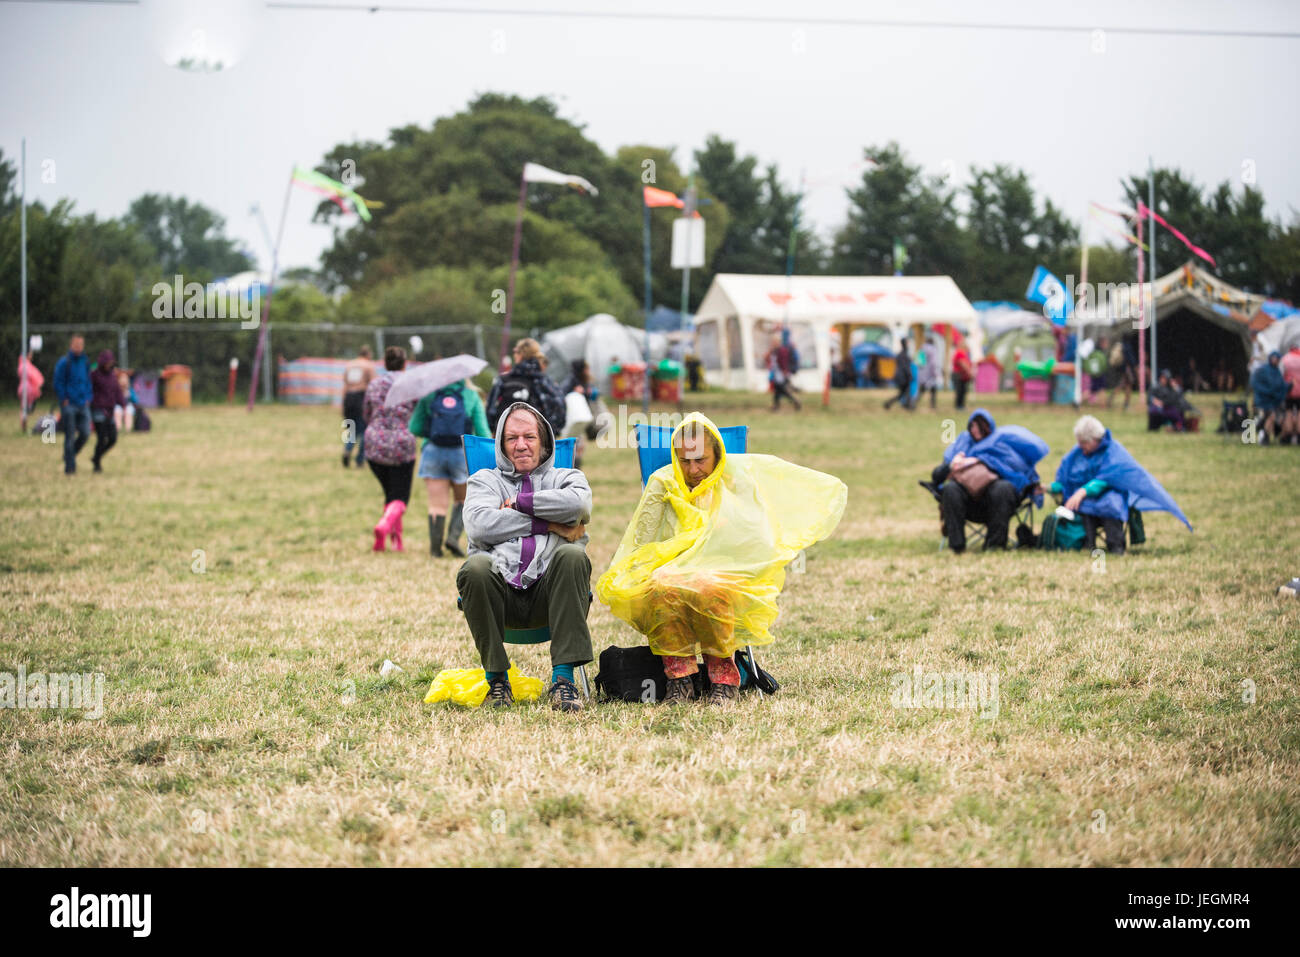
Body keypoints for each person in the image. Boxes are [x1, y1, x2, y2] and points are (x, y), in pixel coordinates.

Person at [598, 413, 845, 705]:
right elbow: (643, 541)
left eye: (700, 460)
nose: (693, 469)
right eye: (684, 460)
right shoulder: (663, 482)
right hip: (669, 572)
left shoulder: (736, 482)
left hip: (728, 570)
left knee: (708, 586)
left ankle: (724, 680)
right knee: (663, 585)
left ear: (718, 454)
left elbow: (757, 538)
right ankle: (680, 680)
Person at [457, 402, 594, 712]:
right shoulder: (484, 481)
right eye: (511, 438)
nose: (521, 445)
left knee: (572, 555)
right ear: (501, 445)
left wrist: (519, 503)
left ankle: (563, 681)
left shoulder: (567, 477)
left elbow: (579, 507)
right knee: (476, 566)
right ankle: (497, 682)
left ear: (544, 441)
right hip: (499, 598)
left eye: (529, 437)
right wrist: (548, 523)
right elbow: (479, 524)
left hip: (554, 598)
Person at [1053, 414, 1193, 554]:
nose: (1080, 446)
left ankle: (1116, 546)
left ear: (1095, 440)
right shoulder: (1077, 453)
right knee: (1081, 503)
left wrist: (1082, 492)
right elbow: (1064, 479)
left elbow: (1109, 477)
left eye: (1083, 442)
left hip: (1111, 496)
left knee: (1110, 503)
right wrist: (1051, 488)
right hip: (1087, 500)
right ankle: (1087, 545)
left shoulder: (1114, 451)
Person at [928, 408, 1048, 553]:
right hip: (968, 503)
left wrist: (985, 462)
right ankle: (957, 546)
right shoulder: (962, 444)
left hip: (997, 503)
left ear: (988, 427)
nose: (975, 430)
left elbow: (1020, 471)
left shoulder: (1001, 444)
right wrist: (954, 465)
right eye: (972, 425)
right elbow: (937, 476)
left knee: (1003, 488)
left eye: (980, 426)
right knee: (951, 489)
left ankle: (995, 545)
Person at [408, 374, 490, 558]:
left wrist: (433, 432)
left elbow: (414, 427)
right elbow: (482, 430)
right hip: (461, 454)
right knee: (462, 501)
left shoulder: (429, 395)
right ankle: (453, 538)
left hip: (433, 453)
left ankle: (435, 549)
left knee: (436, 506)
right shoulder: (471, 395)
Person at [363, 347, 417, 551]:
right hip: (402, 445)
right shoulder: (411, 384)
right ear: (404, 363)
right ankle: (385, 526)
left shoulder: (374, 384)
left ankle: (396, 541)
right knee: (400, 497)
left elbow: (366, 412)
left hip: (374, 443)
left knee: (390, 494)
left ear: (385, 363)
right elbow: (419, 413)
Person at [485, 338, 566, 436]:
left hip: (507, 435)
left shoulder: (504, 379)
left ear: (520, 354)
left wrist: (494, 429)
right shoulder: (544, 380)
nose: (514, 354)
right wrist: (551, 430)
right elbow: (559, 404)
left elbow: (491, 409)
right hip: (537, 436)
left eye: (515, 351)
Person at [53, 335, 92, 476]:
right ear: (71, 345)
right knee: (69, 435)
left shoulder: (85, 361)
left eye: (81, 344)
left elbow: (88, 380)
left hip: (83, 403)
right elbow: (58, 381)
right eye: (76, 344)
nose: (78, 347)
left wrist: (88, 397)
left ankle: (69, 455)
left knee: (86, 433)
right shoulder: (64, 362)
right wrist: (64, 399)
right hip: (69, 404)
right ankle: (70, 468)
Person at [88, 350, 126, 473]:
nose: (110, 364)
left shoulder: (112, 376)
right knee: (101, 438)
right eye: (108, 362)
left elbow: (117, 391)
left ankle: (96, 457)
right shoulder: (94, 375)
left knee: (113, 438)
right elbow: (88, 391)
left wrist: (123, 404)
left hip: (109, 411)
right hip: (98, 410)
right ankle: (97, 464)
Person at [341, 345, 375, 468]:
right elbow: (372, 385)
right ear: (368, 355)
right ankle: (360, 459)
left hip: (349, 398)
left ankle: (347, 449)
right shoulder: (368, 365)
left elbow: (345, 385)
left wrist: (342, 403)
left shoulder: (349, 365)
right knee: (365, 430)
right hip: (361, 398)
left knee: (351, 428)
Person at [561, 359, 597, 468]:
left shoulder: (583, 381)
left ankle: (576, 465)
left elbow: (592, 395)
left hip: (581, 418)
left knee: (579, 445)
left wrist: (588, 392)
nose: (588, 371)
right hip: (573, 418)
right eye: (586, 368)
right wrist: (575, 391)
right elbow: (562, 394)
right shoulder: (570, 381)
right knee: (573, 444)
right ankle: (572, 466)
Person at [1250, 351, 1288, 444]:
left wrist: (1290, 386)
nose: (1276, 360)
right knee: (1269, 417)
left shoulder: (1277, 372)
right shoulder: (1263, 370)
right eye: (1274, 358)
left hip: (1272, 401)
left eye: (1277, 359)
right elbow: (1254, 383)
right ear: (1270, 358)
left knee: (1273, 417)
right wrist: (1266, 392)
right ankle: (1263, 437)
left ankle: (1267, 436)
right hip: (1262, 401)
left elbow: (1281, 386)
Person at [764, 332, 801, 412]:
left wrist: (785, 372)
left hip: (781, 374)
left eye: (774, 341)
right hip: (776, 373)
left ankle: (795, 401)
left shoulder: (782, 350)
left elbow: (784, 363)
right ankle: (776, 406)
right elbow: (766, 358)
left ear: (778, 342)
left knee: (782, 390)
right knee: (777, 390)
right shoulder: (773, 351)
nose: (773, 343)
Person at [883, 340, 913, 410]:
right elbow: (905, 367)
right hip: (903, 377)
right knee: (906, 392)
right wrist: (909, 374)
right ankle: (908, 406)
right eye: (908, 343)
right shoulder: (904, 355)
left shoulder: (901, 354)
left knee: (902, 393)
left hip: (900, 376)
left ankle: (888, 403)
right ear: (905, 344)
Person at [1281, 345, 1300, 445]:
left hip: (1289, 391)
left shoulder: (1285, 359)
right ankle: (1298, 436)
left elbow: (1281, 374)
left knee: (1288, 413)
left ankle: (1288, 435)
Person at [917, 336, 942, 410]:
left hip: (922, 372)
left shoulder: (921, 349)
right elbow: (934, 363)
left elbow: (918, 361)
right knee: (933, 390)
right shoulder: (933, 350)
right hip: (930, 373)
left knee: (922, 389)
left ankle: (913, 403)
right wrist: (936, 373)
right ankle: (932, 405)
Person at [951, 344, 973, 410]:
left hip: (961, 375)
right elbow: (962, 363)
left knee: (962, 391)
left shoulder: (960, 353)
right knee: (960, 391)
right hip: (959, 375)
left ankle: (960, 405)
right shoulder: (960, 353)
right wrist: (969, 372)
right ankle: (959, 406)